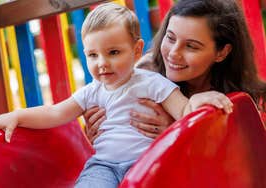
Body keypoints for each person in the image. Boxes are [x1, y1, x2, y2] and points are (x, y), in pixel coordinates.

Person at [0, 3, 233, 187]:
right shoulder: (92, 91)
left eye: (113, 52)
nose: (102, 63)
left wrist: (199, 99)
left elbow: (184, 111)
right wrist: (16, 116)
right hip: (104, 166)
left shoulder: (152, 82)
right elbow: (55, 112)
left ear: (136, 51)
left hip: (148, 162)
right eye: (93, 55)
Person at [84, 0, 266, 143]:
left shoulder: (239, 99)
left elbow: (243, 163)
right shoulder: (142, 74)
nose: (173, 53)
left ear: (222, 52)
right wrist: (98, 133)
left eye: (191, 46)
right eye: (170, 38)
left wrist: (178, 131)